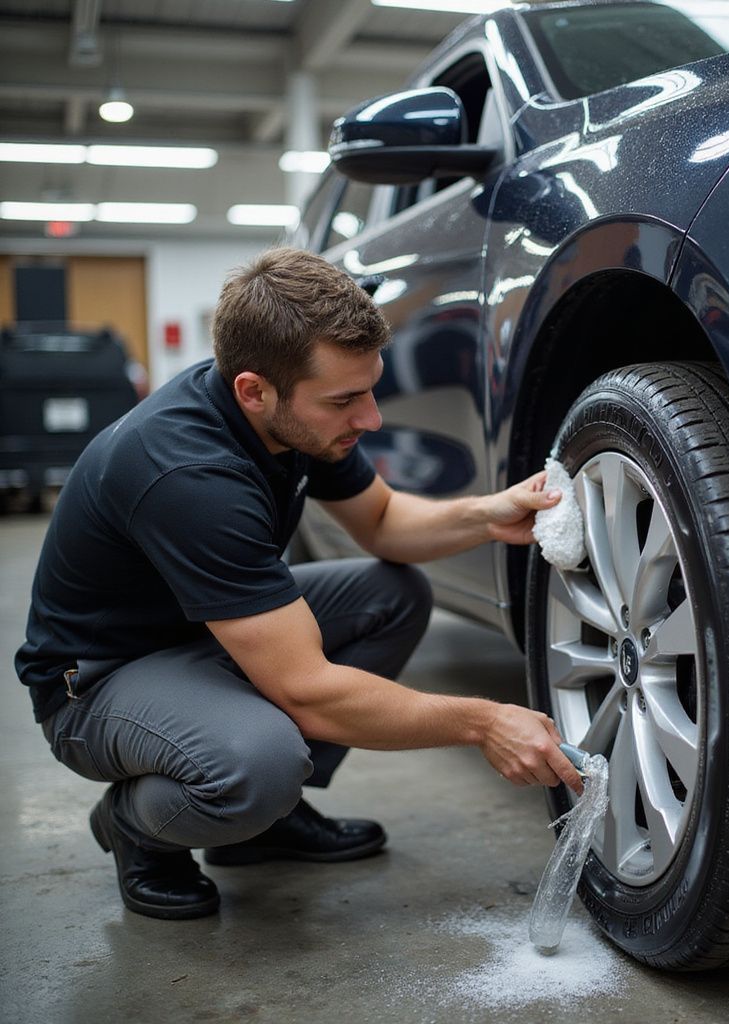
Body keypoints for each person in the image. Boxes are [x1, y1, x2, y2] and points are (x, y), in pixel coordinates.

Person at [15, 247, 582, 921]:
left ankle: (262, 826)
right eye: (345, 400)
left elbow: (381, 521)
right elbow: (307, 693)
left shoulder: (291, 419)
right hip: (98, 683)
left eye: (369, 391)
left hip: (200, 639)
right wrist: (484, 720)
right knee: (259, 762)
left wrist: (487, 515)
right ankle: (138, 827)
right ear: (253, 390)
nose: (369, 419)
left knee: (392, 596)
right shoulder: (189, 475)